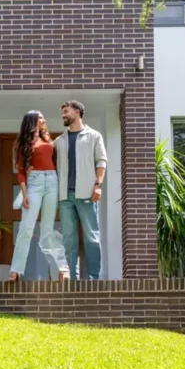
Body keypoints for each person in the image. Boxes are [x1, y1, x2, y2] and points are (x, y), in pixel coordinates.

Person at [9, 111, 70, 282]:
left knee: (48, 230)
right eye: (41, 117)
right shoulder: (23, 144)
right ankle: (15, 270)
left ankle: (59, 270)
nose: (44, 120)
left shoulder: (49, 140)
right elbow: (20, 172)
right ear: (32, 121)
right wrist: (25, 193)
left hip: (52, 181)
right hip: (34, 184)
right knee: (26, 228)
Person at [54, 100, 106, 280]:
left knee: (91, 238)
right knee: (69, 240)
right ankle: (73, 280)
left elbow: (101, 162)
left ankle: (93, 279)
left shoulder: (94, 136)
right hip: (64, 197)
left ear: (77, 112)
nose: (63, 115)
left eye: (66, 112)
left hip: (87, 194)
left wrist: (98, 185)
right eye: (62, 112)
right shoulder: (59, 141)